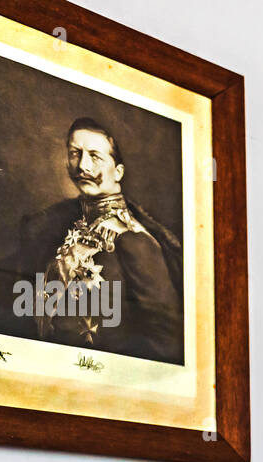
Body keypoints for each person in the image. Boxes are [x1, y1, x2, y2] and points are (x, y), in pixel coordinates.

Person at [15, 117, 184, 364]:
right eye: (75, 153)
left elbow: (165, 343)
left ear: (118, 172)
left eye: (95, 156)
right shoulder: (58, 227)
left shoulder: (133, 240)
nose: (82, 165)